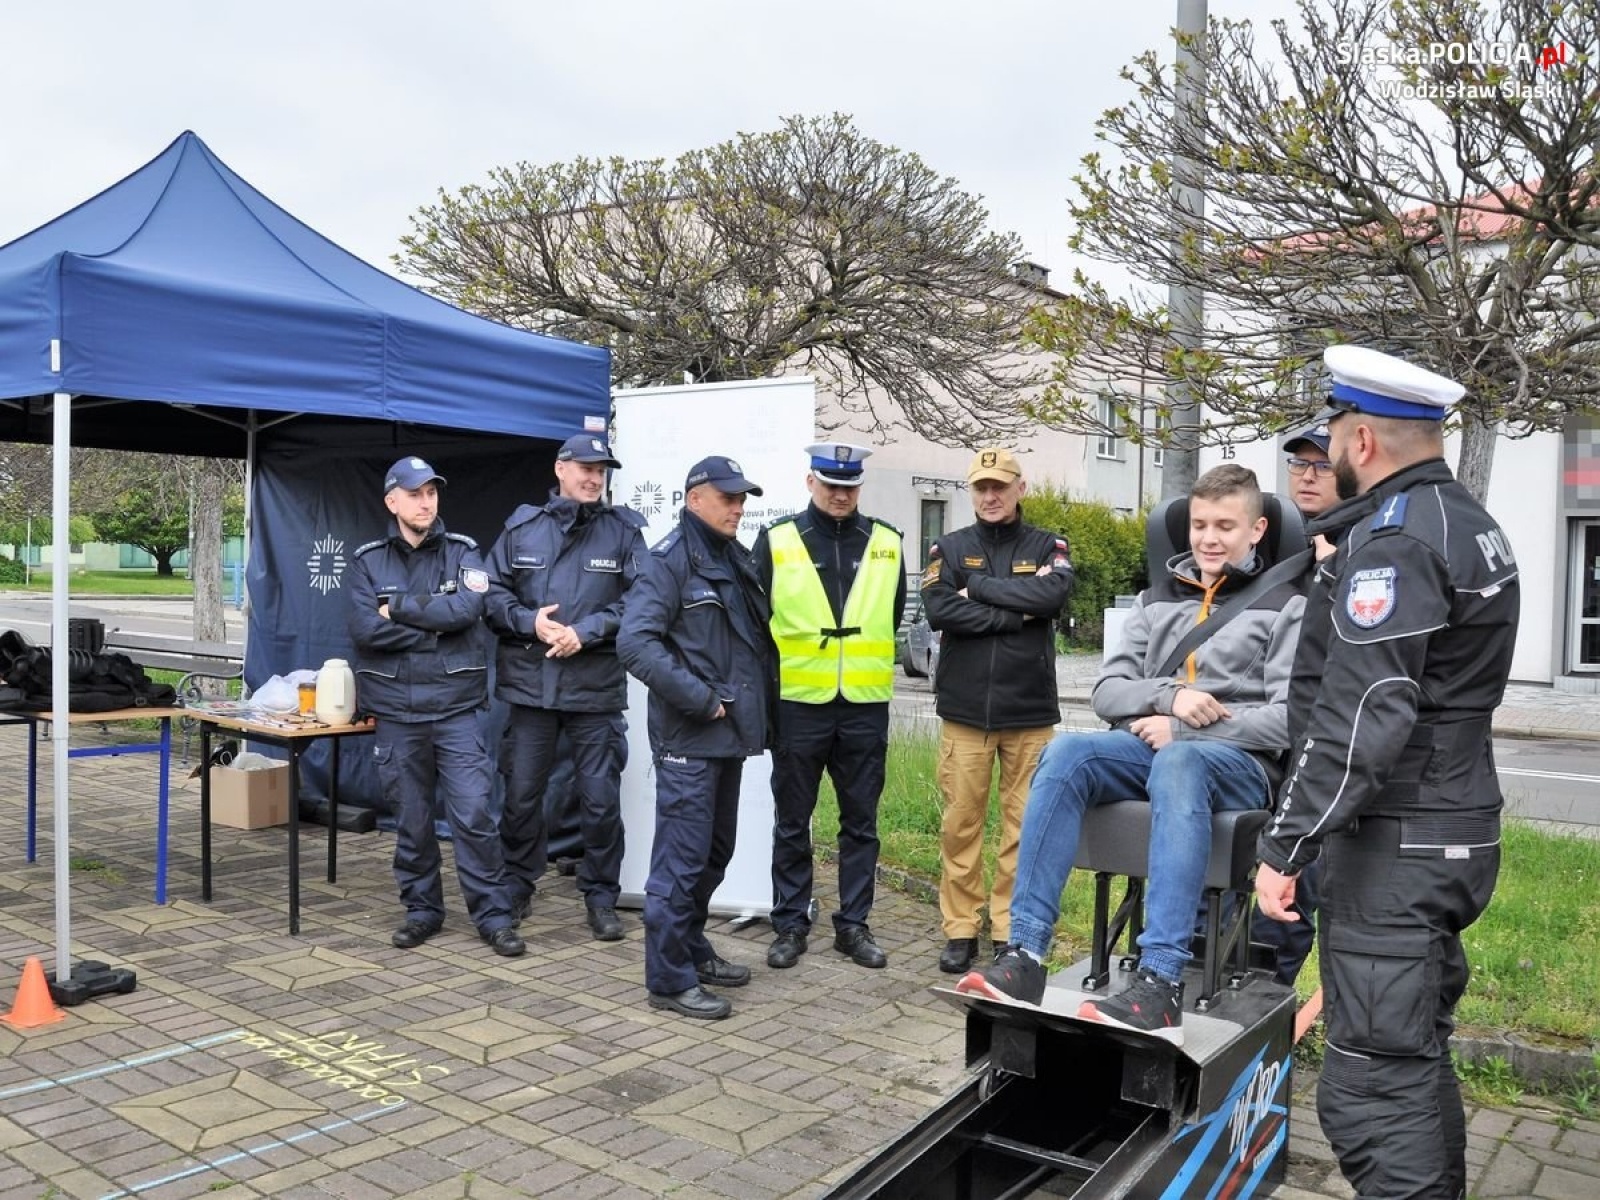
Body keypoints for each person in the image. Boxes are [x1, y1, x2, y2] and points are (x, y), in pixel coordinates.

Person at [1255, 346, 1519, 1200]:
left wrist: (1284, 847)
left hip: (1399, 844)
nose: (1325, 446)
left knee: (1370, 1087)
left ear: (1361, 438)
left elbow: (1362, 716)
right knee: (1409, 1057)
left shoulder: (1395, 541)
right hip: (1453, 825)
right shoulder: (1466, 518)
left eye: (1332, 429)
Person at [958, 464, 1304, 1048]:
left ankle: (1161, 982)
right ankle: (1025, 955)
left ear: (1257, 529)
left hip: (1241, 766)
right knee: (1066, 752)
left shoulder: (1288, 606)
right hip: (1164, 748)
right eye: (1199, 525)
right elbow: (1108, 692)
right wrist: (1173, 699)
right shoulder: (1153, 601)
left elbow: (1291, 718)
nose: (1209, 538)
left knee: (1179, 761)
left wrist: (1189, 732)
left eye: (1226, 525)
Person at [617, 455, 775, 1020]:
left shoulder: (732, 557)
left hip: (728, 736)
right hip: (692, 732)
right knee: (680, 863)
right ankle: (667, 978)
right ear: (694, 499)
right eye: (728, 497)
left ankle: (690, 946)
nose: (738, 507)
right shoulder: (667, 562)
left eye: (742, 499)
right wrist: (703, 699)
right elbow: (635, 644)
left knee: (715, 853)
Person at [347, 456, 524, 957]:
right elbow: (365, 630)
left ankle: (494, 916)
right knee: (414, 820)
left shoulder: (466, 554)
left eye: (432, 493)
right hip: (398, 717)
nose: (426, 502)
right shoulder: (367, 561)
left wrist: (399, 609)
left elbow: (468, 611)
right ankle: (422, 910)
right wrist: (435, 630)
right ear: (392, 502)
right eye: (416, 493)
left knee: (473, 815)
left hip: (455, 712)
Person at [483, 433, 648, 942]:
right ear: (560, 468)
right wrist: (529, 621)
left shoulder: (624, 533)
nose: (594, 477)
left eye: (602, 470)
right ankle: (516, 885)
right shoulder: (522, 528)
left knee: (598, 799)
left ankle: (601, 896)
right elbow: (488, 593)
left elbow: (644, 600)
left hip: (594, 689)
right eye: (585, 467)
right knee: (522, 795)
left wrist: (588, 632)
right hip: (532, 688)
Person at [753, 443, 906, 971]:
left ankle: (854, 926)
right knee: (793, 821)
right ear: (810, 482)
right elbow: (757, 629)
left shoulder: (888, 541)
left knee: (860, 823)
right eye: (831, 484)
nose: (840, 495)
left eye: (850, 486)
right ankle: (790, 923)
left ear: (860, 487)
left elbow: (893, 611)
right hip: (799, 704)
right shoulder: (776, 541)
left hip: (864, 706)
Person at [922, 448, 1073, 975]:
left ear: (1019, 489)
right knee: (960, 824)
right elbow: (940, 609)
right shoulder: (949, 546)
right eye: (981, 487)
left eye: (1000, 486)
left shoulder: (1049, 544)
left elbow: (1052, 596)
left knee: (1023, 827)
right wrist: (1015, 615)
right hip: (965, 712)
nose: (990, 496)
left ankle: (1010, 929)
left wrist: (981, 588)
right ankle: (961, 927)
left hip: (1030, 711)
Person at [1249, 419, 1339, 987]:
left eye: (1321, 466)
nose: (1306, 477)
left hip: (1330, 761)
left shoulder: (1361, 555)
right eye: (1298, 465)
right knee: (1264, 912)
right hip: (1282, 755)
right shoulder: (1293, 558)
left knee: (1299, 900)